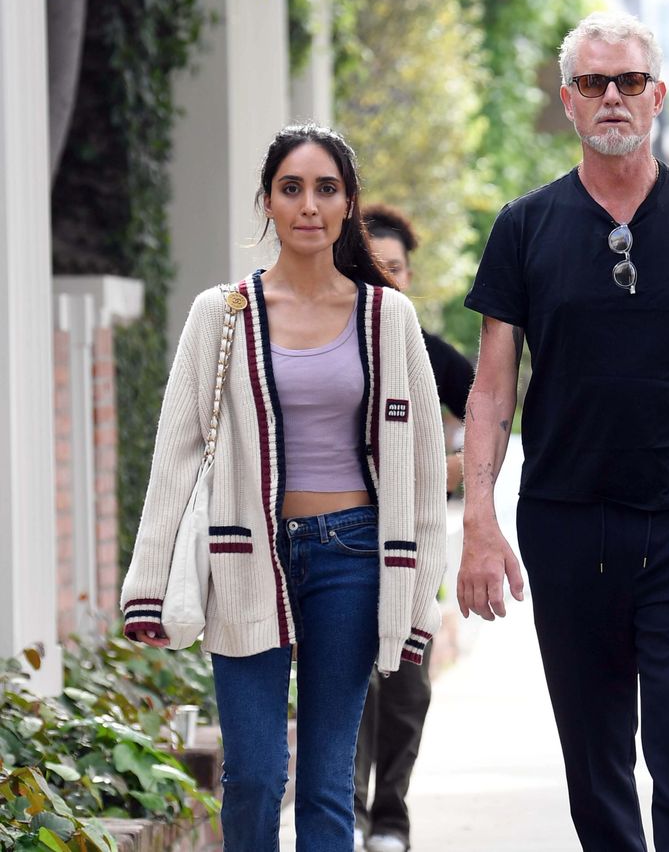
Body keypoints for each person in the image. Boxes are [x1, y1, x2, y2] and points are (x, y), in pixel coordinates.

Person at [458, 12, 669, 852]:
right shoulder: (525, 226)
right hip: (568, 523)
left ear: (656, 97)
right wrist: (478, 518)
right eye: (590, 84)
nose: (610, 97)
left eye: (626, 82)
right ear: (569, 104)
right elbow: (493, 386)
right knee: (596, 755)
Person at [120, 123, 448, 852]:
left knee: (329, 781)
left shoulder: (386, 317)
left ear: (348, 204)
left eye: (326, 189)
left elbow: (423, 470)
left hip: (353, 557)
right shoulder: (222, 315)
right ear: (267, 202)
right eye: (291, 189)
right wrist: (147, 584)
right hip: (245, 555)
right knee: (255, 775)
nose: (308, 205)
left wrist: (418, 595)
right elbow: (174, 455)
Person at [353, 204, 475, 852]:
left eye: (393, 268)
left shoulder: (427, 352)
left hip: (413, 547)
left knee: (404, 685)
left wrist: (453, 468)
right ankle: (346, 811)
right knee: (347, 679)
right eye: (372, 267)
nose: (383, 279)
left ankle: (390, 816)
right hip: (337, 539)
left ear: (408, 275)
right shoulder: (328, 342)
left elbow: (493, 405)